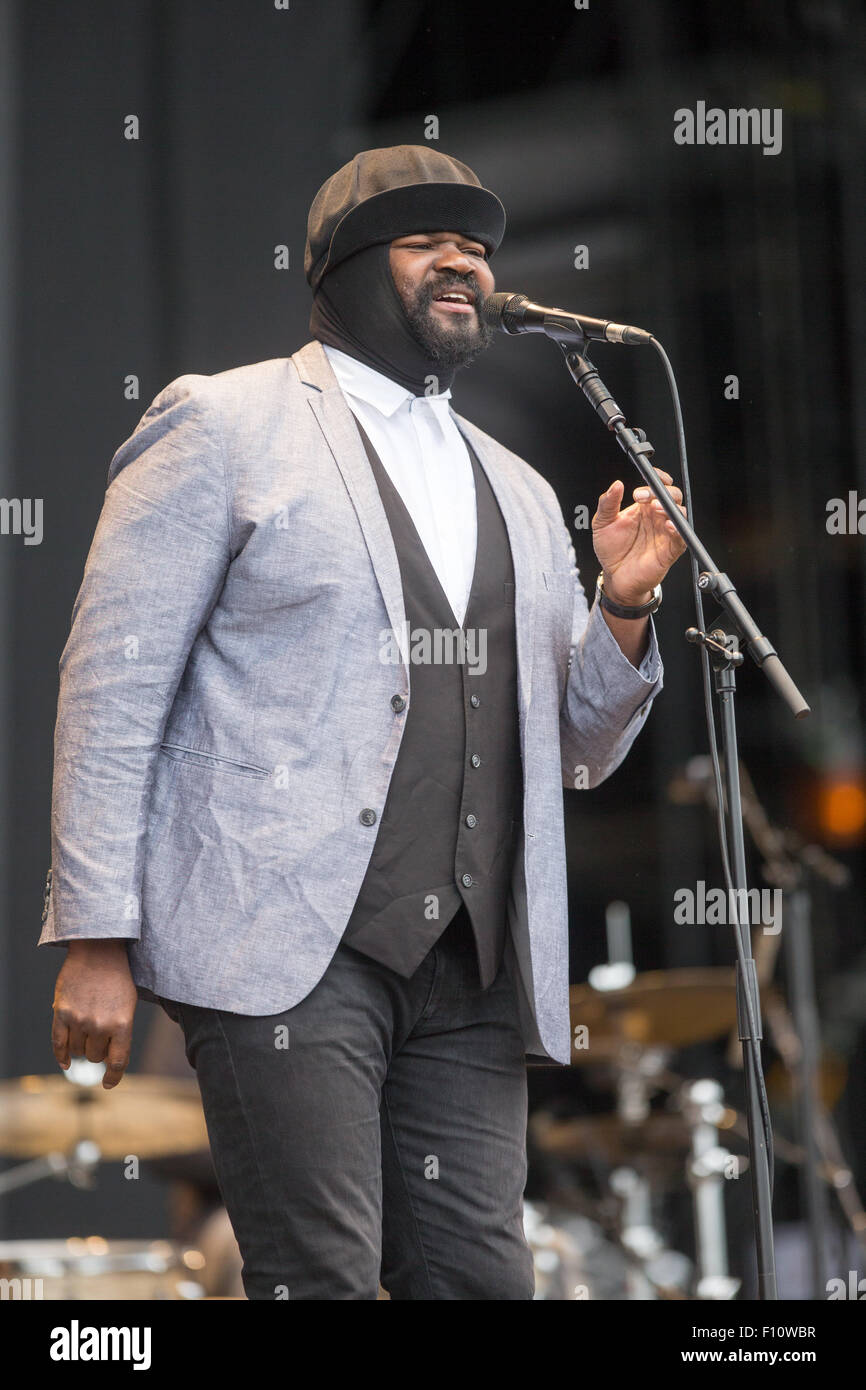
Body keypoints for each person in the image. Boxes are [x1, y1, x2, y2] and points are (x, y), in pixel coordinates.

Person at [41, 145, 686, 1299]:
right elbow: (111, 680)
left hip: (473, 964)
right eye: (423, 238)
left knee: (480, 1283)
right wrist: (98, 933)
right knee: (319, 1277)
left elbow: (575, 750)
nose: (462, 261)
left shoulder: (521, 490)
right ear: (336, 269)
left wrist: (624, 606)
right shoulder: (222, 424)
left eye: (477, 245)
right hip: (288, 943)